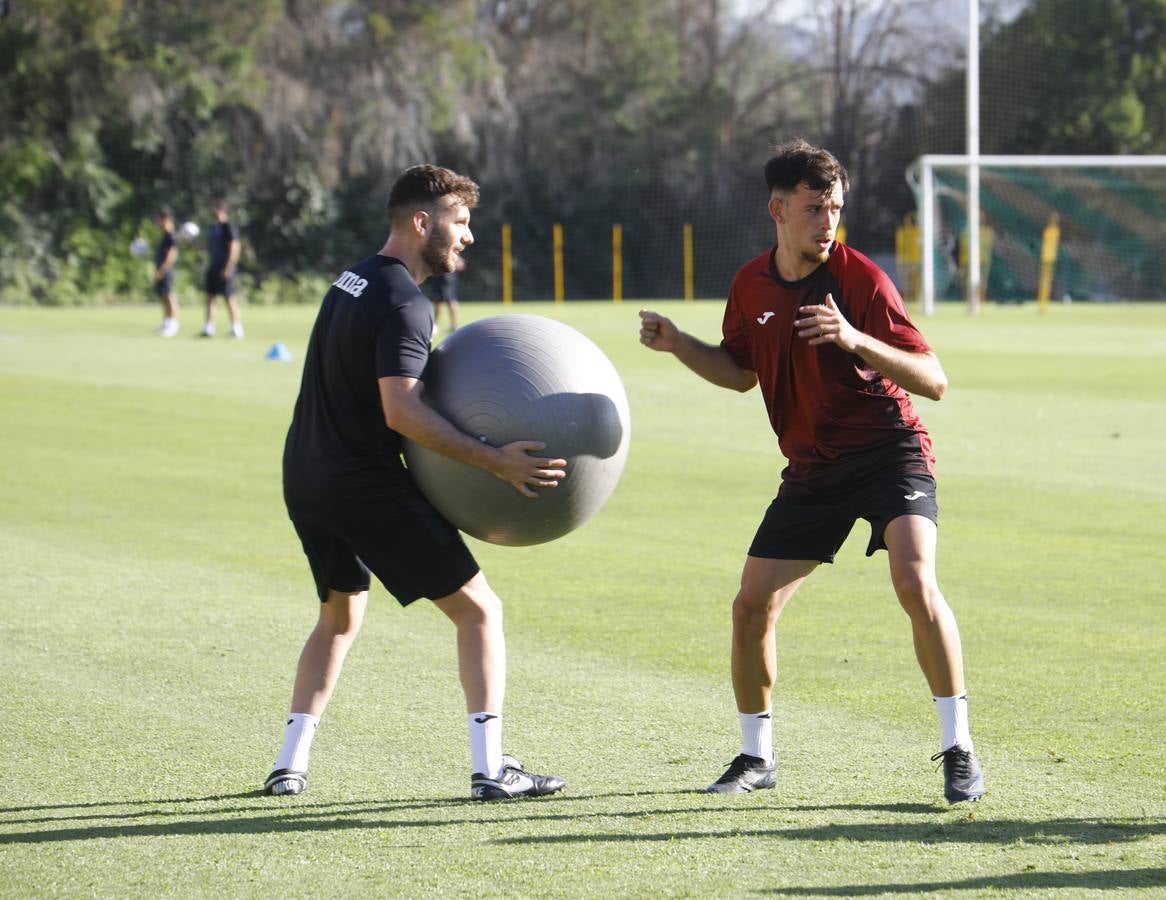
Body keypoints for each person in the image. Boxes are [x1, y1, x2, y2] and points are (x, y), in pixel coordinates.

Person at [638, 139, 985, 804]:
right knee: (750, 607)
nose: (828, 222)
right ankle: (755, 757)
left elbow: (935, 381)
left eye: (836, 209)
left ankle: (959, 747)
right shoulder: (750, 285)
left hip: (890, 452)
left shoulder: (861, 280)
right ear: (777, 209)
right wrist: (679, 344)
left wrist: (856, 339)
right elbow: (740, 374)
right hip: (813, 470)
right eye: (815, 208)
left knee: (915, 581)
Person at [266, 164, 569, 802]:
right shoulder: (406, 302)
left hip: (306, 476)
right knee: (480, 611)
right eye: (460, 223)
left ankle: (289, 765)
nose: (469, 237)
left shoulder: (353, 279)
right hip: (361, 484)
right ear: (421, 221)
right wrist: (497, 460)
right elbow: (401, 412)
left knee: (340, 615)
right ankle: (492, 770)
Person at [201, 199, 243, 338]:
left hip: (225, 267)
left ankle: (237, 328)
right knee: (210, 296)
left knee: (228, 297)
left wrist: (228, 267)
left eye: (217, 209)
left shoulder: (228, 227)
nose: (214, 212)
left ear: (223, 211)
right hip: (213, 266)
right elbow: (209, 247)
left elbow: (235, 247)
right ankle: (209, 328)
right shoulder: (212, 227)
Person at [152, 209, 180, 337]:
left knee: (169, 296)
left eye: (158, 219)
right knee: (164, 296)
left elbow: (172, 254)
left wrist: (163, 270)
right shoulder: (164, 234)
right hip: (162, 270)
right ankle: (167, 322)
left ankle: (173, 324)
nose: (156, 222)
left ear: (165, 219)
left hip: (166, 270)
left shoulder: (170, 235)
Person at [422, 254, 464, 336]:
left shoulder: (450, 250)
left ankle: (454, 325)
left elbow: (461, 264)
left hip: (447, 278)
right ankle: (436, 324)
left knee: (450, 300)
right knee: (439, 301)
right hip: (439, 278)